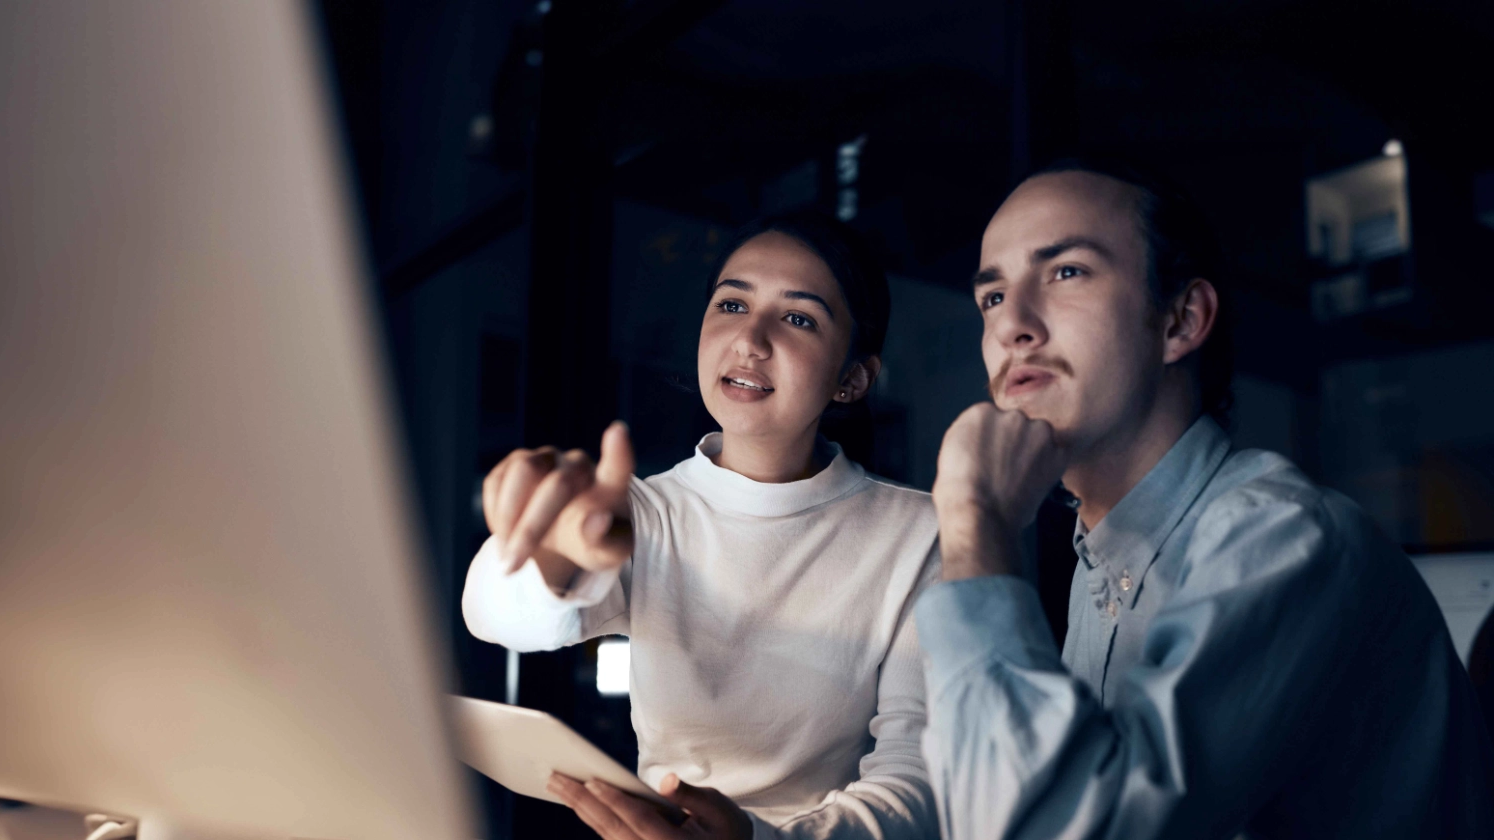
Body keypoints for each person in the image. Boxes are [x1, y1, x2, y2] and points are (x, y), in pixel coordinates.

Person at [918, 157, 1494, 838]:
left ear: (1181, 321)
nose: (1013, 324)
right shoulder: (1103, 558)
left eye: (1066, 272)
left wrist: (973, 516)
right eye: (991, 296)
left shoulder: (1284, 538)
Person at [465, 211, 940, 839]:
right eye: (732, 304)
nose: (750, 340)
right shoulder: (644, 511)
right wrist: (555, 551)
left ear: (851, 379)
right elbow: (498, 619)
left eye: (798, 318)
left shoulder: (918, 532)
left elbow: (916, 780)